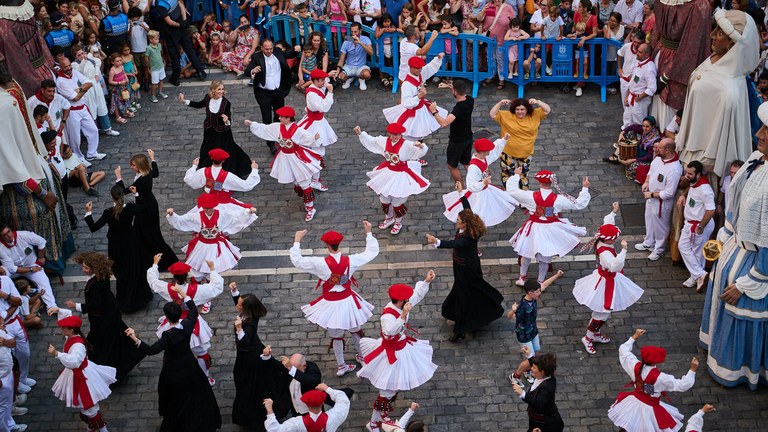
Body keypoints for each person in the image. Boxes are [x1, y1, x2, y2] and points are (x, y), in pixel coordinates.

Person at [699, 102, 768, 390]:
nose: (759, 133)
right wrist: (722, 240)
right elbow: (736, 209)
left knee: (741, 313)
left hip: (754, 264)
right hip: (734, 250)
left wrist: (748, 282)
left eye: (767, 130)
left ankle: (740, 369)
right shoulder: (755, 160)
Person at [677, 9, 759, 178]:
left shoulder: (729, 90)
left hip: (703, 164)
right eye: (715, 29)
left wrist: (700, 169)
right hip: (690, 150)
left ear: (732, 43)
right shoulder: (714, 59)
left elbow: (722, 145)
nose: (712, 35)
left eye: (720, 33)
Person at [125, 292, 222, 432]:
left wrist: (135, 338)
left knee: (175, 398)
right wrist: (184, 294)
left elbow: (152, 350)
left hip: (173, 370)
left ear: (167, 318)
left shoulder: (168, 335)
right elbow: (194, 310)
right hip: (189, 364)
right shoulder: (188, 325)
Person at [290, 224, 379, 375]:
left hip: (330, 305)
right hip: (348, 302)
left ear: (327, 245)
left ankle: (341, 366)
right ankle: (362, 357)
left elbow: (297, 261)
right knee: (356, 331)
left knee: (337, 336)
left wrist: (297, 240)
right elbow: (371, 252)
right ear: (340, 244)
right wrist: (369, 233)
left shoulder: (319, 263)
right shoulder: (352, 260)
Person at [357, 274, 438, 432]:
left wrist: (426, 282)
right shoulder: (388, 315)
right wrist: (402, 316)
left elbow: (416, 295)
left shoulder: (403, 305)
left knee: (393, 388)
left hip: (402, 349)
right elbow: (389, 331)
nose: (409, 301)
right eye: (406, 300)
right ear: (400, 302)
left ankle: (382, 414)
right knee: (386, 391)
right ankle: (373, 423)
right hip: (390, 354)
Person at [426, 196, 505, 341]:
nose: (456, 222)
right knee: (467, 293)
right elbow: (467, 209)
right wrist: (461, 193)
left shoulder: (466, 239)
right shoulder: (470, 228)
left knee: (464, 296)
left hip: (466, 271)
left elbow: (452, 244)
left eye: (458, 221)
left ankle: (460, 330)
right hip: (463, 267)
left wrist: (435, 241)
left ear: (465, 224)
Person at [60, 252, 145, 382]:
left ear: (94, 268)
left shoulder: (96, 284)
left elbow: (95, 305)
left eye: (86, 267)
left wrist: (75, 305)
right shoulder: (101, 276)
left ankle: (105, 371)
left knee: (104, 344)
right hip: (109, 313)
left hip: (104, 319)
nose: (83, 269)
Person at [573, 202, 644, 355]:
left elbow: (607, 223)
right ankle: (588, 337)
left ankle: (595, 334)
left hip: (607, 279)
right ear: (609, 240)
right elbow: (614, 266)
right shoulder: (605, 253)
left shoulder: (602, 238)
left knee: (604, 312)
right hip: (606, 282)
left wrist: (613, 212)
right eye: (614, 239)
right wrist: (624, 251)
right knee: (601, 313)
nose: (616, 240)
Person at [506, 168, 591, 286]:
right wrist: (585, 188)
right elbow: (579, 204)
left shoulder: (530, 196)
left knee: (526, 252)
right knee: (545, 256)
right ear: (551, 183)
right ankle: (541, 282)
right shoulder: (559, 199)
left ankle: (522, 278)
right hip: (550, 229)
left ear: (539, 182)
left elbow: (512, 191)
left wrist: (516, 176)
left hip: (533, 228)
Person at [608, 329, 698, 432]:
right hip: (649, 409)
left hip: (634, 402)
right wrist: (692, 370)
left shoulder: (635, 366)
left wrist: (635, 336)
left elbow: (623, 350)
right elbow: (683, 385)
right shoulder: (661, 378)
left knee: (628, 426)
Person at [245, 106, 323, 222]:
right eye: (280, 116)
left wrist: (314, 138)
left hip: (296, 158)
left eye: (282, 117)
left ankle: (311, 208)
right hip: (284, 157)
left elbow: (307, 137)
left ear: (289, 118)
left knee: (304, 182)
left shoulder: (297, 130)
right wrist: (253, 124)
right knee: (295, 180)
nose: (279, 118)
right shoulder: (278, 127)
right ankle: (306, 199)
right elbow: (266, 128)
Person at [84, 186, 153, 312]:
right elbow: (143, 207)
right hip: (131, 243)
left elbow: (93, 227)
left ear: (112, 197)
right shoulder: (131, 208)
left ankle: (125, 299)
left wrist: (88, 212)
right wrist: (136, 194)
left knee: (121, 272)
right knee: (133, 269)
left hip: (116, 246)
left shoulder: (108, 212)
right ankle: (138, 297)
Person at [355, 123, 430, 235]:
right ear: (389, 134)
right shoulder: (384, 141)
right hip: (388, 172)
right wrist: (361, 134)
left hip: (401, 174)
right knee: (384, 198)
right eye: (394, 134)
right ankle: (389, 218)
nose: (397, 137)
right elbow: (372, 141)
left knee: (397, 201)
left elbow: (419, 151)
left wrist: (421, 146)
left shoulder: (406, 144)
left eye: (399, 134)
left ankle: (398, 222)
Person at [649, 0, 712, 128]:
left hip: (674, 60)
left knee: (669, 99)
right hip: (667, 56)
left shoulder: (698, 6)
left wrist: (671, 71)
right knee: (657, 95)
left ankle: (667, 137)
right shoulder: (700, 6)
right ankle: (655, 135)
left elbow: (693, 44)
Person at [48, 312, 115, 432]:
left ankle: (101, 429)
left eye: (64, 328)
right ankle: (91, 427)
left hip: (82, 377)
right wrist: (57, 309)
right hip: (76, 374)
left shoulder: (78, 345)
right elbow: (67, 314)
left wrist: (57, 354)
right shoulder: (71, 337)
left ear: (71, 330)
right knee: (85, 405)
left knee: (88, 405)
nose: (62, 329)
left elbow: (74, 362)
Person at [115, 150, 179, 271]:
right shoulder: (147, 172)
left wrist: (119, 177)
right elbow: (156, 173)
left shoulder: (141, 180)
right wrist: (153, 158)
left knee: (150, 234)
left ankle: (163, 259)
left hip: (145, 209)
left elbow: (122, 191)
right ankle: (145, 257)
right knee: (144, 233)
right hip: (149, 205)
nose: (131, 167)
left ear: (139, 166)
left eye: (133, 165)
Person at [166, 194, 258, 278]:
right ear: (202, 207)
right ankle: (198, 279)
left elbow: (235, 217)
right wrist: (172, 215)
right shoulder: (196, 216)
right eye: (206, 208)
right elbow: (183, 220)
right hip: (202, 244)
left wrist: (248, 212)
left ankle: (211, 280)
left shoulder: (222, 214)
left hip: (216, 244)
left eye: (211, 208)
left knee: (215, 264)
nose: (209, 210)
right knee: (198, 264)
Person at [179, 82, 254, 179]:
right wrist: (184, 101)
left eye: (222, 89)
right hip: (209, 131)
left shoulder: (226, 103)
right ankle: (206, 171)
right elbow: (199, 104)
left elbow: (228, 119)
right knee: (207, 150)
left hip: (222, 133)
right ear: (213, 90)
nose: (221, 91)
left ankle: (227, 174)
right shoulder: (208, 98)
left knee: (226, 151)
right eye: (219, 89)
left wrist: (226, 120)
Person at [441, 138, 517, 227]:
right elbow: (471, 185)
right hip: (479, 192)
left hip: (485, 188)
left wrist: (503, 140)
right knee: (479, 209)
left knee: (485, 208)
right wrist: (483, 183)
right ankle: (475, 226)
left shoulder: (483, 158)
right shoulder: (473, 167)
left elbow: (494, 151)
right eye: (488, 150)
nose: (490, 151)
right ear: (482, 152)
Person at [507, 271, 563, 389]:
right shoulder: (522, 305)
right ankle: (515, 375)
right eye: (537, 292)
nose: (539, 293)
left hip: (533, 331)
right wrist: (513, 310)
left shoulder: (534, 297)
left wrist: (557, 275)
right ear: (530, 292)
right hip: (524, 334)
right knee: (531, 359)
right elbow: (509, 316)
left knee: (536, 354)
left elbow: (544, 285)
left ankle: (528, 372)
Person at [634, 138, 682, 261]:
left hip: (662, 203)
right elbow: (651, 171)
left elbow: (669, 193)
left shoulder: (675, 169)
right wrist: (646, 182)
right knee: (649, 219)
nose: (656, 149)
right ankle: (649, 242)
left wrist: (651, 194)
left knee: (661, 226)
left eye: (659, 147)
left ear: (667, 150)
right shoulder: (658, 159)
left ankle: (659, 249)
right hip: (650, 197)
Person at [489, 98, 551, 188]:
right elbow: (492, 114)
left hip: (526, 154)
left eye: (522, 109)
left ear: (527, 109)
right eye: (517, 109)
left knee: (523, 176)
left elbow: (547, 110)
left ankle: (523, 196)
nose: (519, 112)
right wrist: (500, 103)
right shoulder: (507, 115)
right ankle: (509, 196)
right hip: (508, 152)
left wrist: (538, 102)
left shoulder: (535, 115)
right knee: (507, 176)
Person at [382, 54, 447, 141]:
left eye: (420, 68)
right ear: (411, 67)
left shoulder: (420, 73)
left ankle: (418, 147)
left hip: (421, 109)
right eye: (417, 68)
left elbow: (429, 68)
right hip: (412, 111)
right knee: (410, 134)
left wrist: (438, 59)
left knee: (420, 133)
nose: (420, 70)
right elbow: (406, 103)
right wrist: (419, 96)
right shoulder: (406, 84)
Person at [246, 38, 293, 155]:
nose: (269, 51)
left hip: (278, 91)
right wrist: (253, 70)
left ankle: (278, 136)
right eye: (266, 49)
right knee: (266, 118)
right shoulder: (257, 57)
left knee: (279, 116)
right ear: (262, 48)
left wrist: (296, 50)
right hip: (264, 92)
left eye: (271, 48)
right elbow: (247, 70)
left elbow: (289, 54)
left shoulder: (277, 52)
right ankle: (270, 143)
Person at [0, 225, 59, 315]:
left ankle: (51, 306)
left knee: (43, 281)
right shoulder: (1, 248)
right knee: (2, 273)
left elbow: (41, 241)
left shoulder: (24, 235)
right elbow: (12, 269)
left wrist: (41, 257)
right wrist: (31, 269)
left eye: (8, 232)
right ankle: (8, 303)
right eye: (4, 235)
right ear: (2, 238)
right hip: (15, 270)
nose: (8, 235)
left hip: (31, 264)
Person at [55, 57, 105, 163]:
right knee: (75, 137)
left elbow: (89, 83)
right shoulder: (60, 81)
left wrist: (79, 89)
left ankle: (92, 153)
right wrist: (84, 89)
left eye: (69, 65)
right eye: (66, 67)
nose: (69, 68)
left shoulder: (75, 73)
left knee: (93, 129)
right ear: (61, 67)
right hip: (72, 111)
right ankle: (79, 158)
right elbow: (75, 97)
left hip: (82, 108)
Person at [677, 160, 716, 292]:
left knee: (697, 252)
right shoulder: (695, 183)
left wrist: (700, 226)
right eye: (686, 172)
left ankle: (696, 277)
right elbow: (691, 187)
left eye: (690, 173)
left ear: (698, 174)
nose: (687, 175)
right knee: (683, 246)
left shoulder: (705, 190)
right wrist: (683, 195)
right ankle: (699, 274)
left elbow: (711, 210)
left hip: (699, 225)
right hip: (690, 223)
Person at [296, 69, 336, 192]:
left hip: (316, 121)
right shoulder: (312, 94)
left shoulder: (316, 87)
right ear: (315, 81)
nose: (324, 82)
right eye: (322, 80)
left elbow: (324, 83)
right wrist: (330, 93)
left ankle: (312, 177)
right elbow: (324, 106)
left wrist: (328, 75)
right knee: (317, 153)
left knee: (315, 152)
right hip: (314, 125)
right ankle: (313, 180)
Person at [183, 150, 260, 212]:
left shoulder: (203, 172)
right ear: (223, 161)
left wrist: (194, 166)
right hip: (224, 202)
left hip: (209, 202)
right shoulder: (228, 176)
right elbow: (246, 186)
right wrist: (254, 170)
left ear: (211, 159)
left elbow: (189, 180)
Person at [430, 79, 474, 185]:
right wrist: (449, 87)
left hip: (457, 142)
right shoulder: (470, 100)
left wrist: (434, 111)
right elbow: (459, 92)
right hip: (468, 138)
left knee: (452, 165)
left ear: (455, 91)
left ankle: (461, 188)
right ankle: (475, 183)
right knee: (467, 163)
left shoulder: (458, 109)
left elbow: (444, 123)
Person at [154, 0, 207, 86]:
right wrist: (184, 21)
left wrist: (179, 25)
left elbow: (169, 21)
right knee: (190, 50)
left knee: (174, 56)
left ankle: (175, 78)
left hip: (171, 32)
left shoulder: (160, 4)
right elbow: (181, 4)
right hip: (181, 26)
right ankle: (200, 71)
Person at [510, 351, 564, 432]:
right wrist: (530, 356)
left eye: (534, 368)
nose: (531, 368)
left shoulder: (546, 388)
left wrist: (522, 393)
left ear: (542, 371)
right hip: (536, 420)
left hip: (545, 425)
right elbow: (537, 365)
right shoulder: (546, 374)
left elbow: (539, 403)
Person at [0, 269, 33, 395]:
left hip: (15, 322)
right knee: (11, 358)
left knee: (25, 352)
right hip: (3, 329)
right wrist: (11, 306)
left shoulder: (6, 280)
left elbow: (18, 301)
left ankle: (23, 377)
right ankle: (17, 384)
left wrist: (5, 296)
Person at [264, 384, 350, 432]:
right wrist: (327, 389)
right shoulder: (334, 417)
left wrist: (270, 410)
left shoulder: (297, 423)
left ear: (306, 404)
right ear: (322, 402)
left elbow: (274, 430)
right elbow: (343, 401)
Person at [622, 43, 656, 129]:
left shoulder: (649, 68)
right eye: (638, 51)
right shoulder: (638, 62)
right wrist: (627, 96)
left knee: (639, 122)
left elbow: (652, 88)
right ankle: (626, 136)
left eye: (640, 52)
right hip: (631, 97)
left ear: (647, 54)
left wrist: (640, 96)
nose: (637, 53)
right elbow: (634, 81)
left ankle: (638, 139)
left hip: (639, 102)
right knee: (627, 119)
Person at [335, 22, 374, 90]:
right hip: (349, 66)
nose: (354, 34)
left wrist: (360, 43)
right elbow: (341, 60)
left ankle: (361, 79)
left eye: (356, 31)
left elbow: (371, 53)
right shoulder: (347, 40)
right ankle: (350, 78)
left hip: (361, 66)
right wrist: (337, 71)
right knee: (340, 78)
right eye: (352, 32)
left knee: (367, 75)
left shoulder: (365, 39)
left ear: (360, 31)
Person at [145, 30, 168, 103]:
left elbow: (160, 54)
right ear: (150, 40)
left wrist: (163, 61)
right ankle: (152, 95)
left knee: (161, 80)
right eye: (156, 39)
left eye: (158, 39)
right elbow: (146, 58)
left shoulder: (159, 45)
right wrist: (148, 68)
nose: (157, 40)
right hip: (154, 68)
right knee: (154, 82)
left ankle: (160, 92)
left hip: (160, 66)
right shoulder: (149, 48)